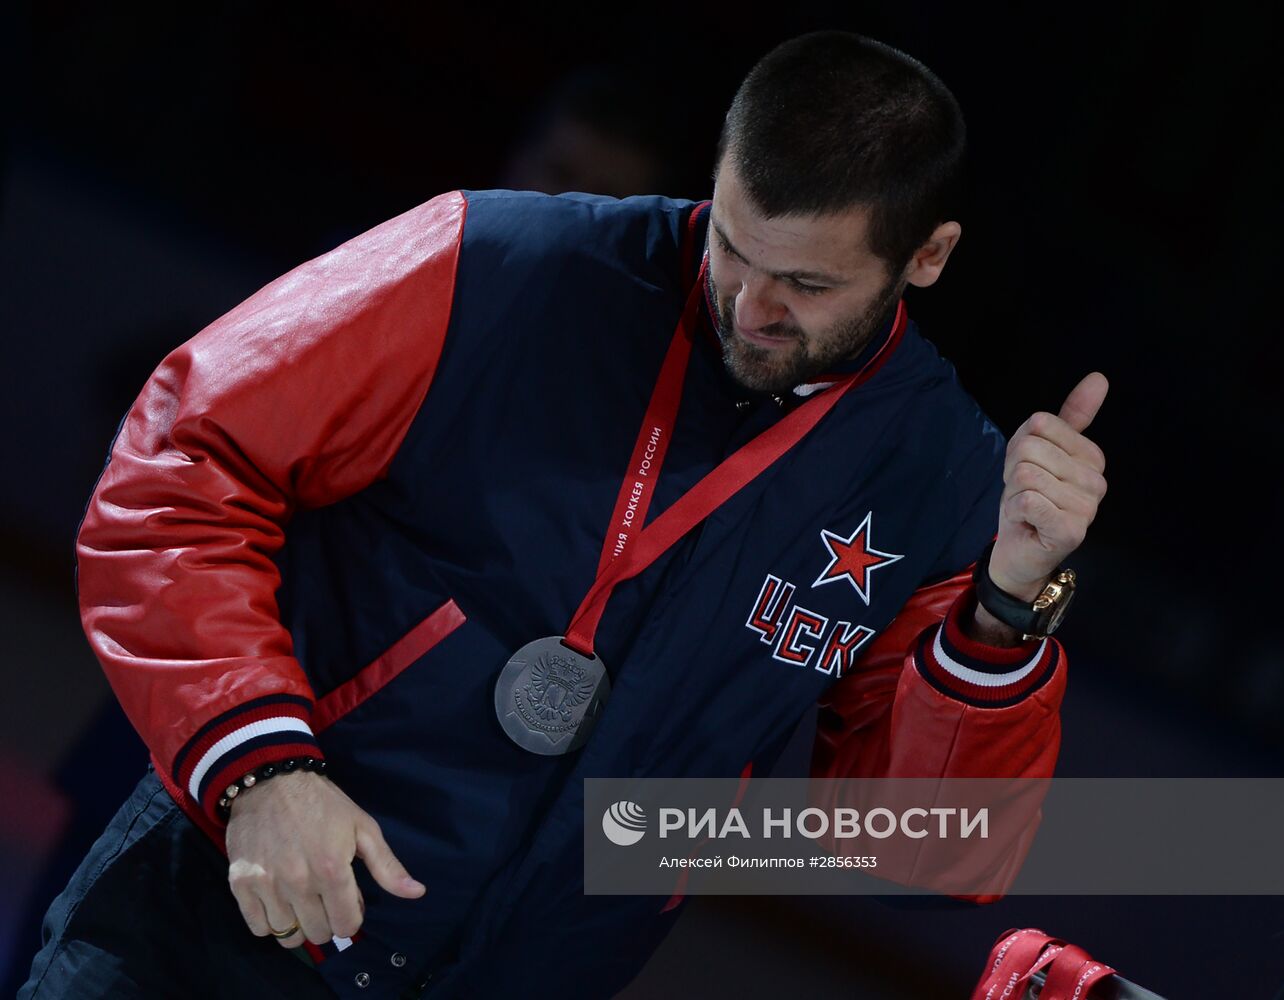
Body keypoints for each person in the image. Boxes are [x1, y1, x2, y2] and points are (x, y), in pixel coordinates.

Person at [20, 30, 1108, 1000]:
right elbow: (183, 460)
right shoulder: (496, 264)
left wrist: (1007, 608)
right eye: (732, 243)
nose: (749, 305)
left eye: (808, 286)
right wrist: (262, 768)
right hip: (215, 918)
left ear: (928, 256)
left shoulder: (948, 481)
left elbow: (916, 859)